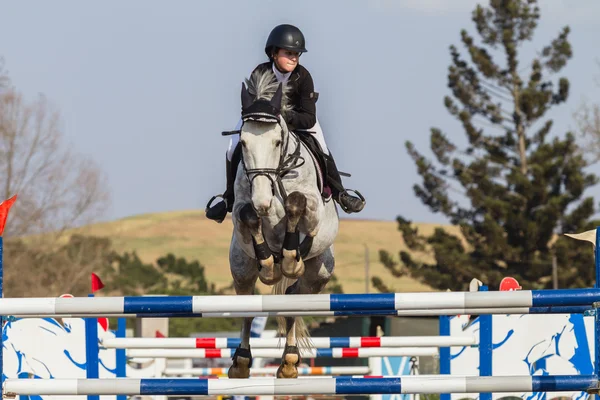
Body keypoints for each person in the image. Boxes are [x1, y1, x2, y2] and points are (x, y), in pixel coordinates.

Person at [205, 24, 365, 223]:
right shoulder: (260, 72)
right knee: (231, 148)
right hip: (262, 122)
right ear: (273, 53)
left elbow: (309, 117)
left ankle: (341, 194)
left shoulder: (303, 77)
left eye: (297, 54)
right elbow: (249, 106)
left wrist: (285, 117)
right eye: (288, 53)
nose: (294, 57)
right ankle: (229, 198)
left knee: (322, 147)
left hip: (298, 121)